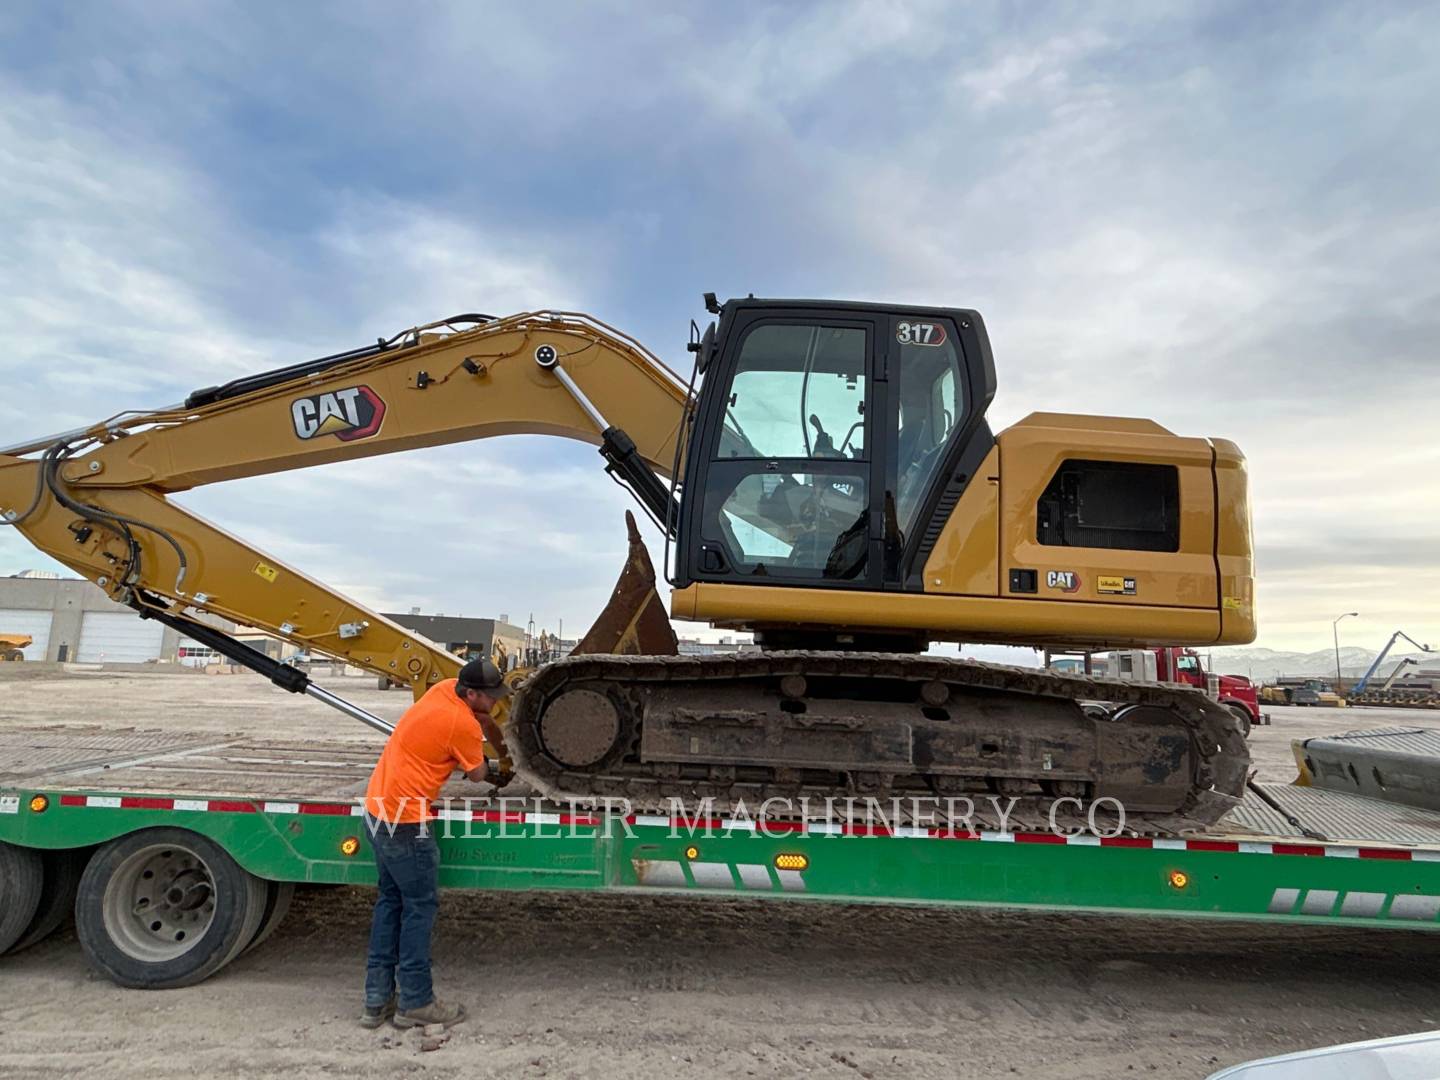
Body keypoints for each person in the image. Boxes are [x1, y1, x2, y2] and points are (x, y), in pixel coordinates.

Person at [359, 657, 512, 1029]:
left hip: (377, 811)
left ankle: (375, 1000)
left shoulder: (444, 690)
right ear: (472, 693)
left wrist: (499, 741)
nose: (494, 702)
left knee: (391, 902)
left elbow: (485, 720)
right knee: (418, 909)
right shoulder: (458, 722)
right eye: (490, 696)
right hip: (408, 825)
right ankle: (415, 1001)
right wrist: (502, 769)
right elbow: (476, 774)